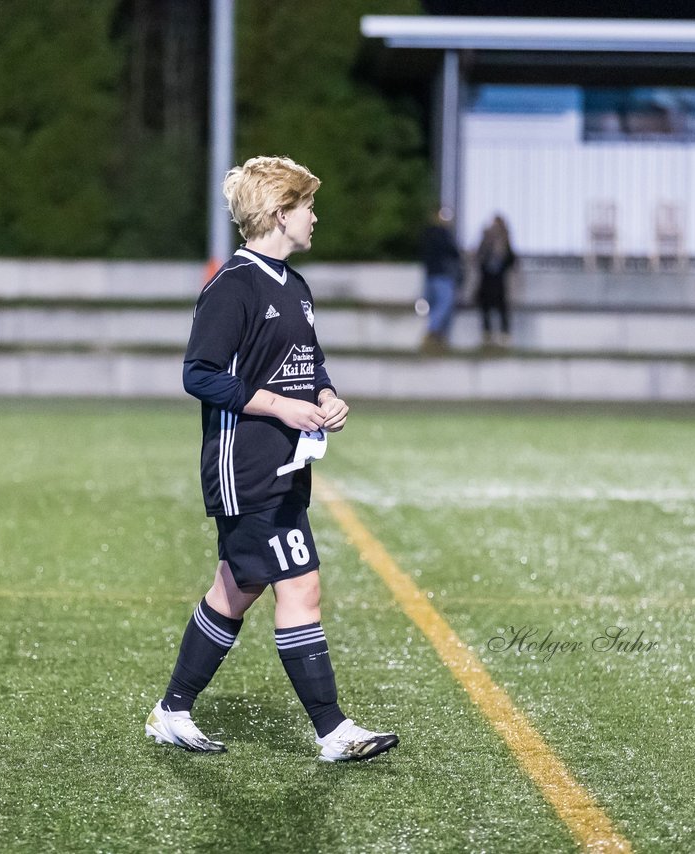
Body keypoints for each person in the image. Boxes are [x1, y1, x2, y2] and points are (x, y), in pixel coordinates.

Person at [145, 156, 399, 763]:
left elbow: (307, 365)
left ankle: (172, 710)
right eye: (308, 206)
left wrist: (326, 397)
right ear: (281, 213)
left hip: (285, 467)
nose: (316, 216)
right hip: (245, 467)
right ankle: (333, 730)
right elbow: (198, 375)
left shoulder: (294, 286)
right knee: (301, 586)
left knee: (236, 588)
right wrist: (281, 410)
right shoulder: (234, 286)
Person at [419, 208, 463, 354]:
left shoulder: (429, 234)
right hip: (441, 274)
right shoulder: (440, 234)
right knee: (445, 303)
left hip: (433, 274)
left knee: (442, 305)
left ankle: (439, 337)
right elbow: (453, 252)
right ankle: (433, 332)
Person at [475, 215, 516, 346]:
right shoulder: (486, 241)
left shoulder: (505, 242)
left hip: (499, 281)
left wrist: (502, 253)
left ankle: (504, 333)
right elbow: (479, 258)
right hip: (487, 280)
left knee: (502, 307)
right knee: (485, 306)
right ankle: (487, 334)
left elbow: (511, 261)